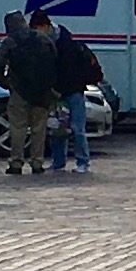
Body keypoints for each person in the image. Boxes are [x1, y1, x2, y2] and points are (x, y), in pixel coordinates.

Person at [0, 9, 58, 176]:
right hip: (42, 92)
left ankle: (16, 162)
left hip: (19, 91)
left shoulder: (10, 41)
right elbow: (55, 62)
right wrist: (50, 86)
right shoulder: (43, 39)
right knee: (39, 129)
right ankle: (37, 162)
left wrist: (4, 82)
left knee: (18, 128)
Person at [49, 20, 104, 174]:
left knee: (59, 128)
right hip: (75, 93)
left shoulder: (59, 49)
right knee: (76, 129)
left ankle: (60, 162)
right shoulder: (72, 46)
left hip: (63, 94)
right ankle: (81, 162)